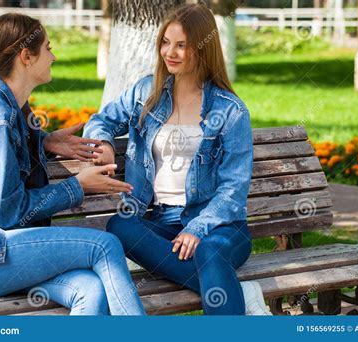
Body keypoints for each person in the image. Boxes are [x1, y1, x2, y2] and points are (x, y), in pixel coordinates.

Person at [0, 13, 145, 316]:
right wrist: (77, 187)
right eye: (48, 48)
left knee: (89, 289)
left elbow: (3, 158)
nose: (54, 56)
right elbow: (7, 211)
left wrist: (43, 142)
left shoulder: (10, 105)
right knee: (105, 246)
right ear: (26, 57)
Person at [83, 4, 271, 315]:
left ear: (203, 48)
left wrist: (197, 228)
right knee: (120, 226)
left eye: (181, 45)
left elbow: (233, 190)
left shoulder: (229, 110)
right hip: (161, 221)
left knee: (210, 252)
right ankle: (242, 293)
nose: (170, 52)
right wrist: (102, 141)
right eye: (166, 43)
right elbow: (101, 119)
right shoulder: (148, 91)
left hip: (220, 226)